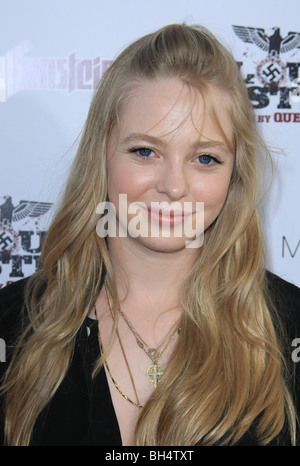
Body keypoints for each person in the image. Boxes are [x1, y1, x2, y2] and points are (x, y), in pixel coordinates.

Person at [0, 23, 299, 447]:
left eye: (206, 157)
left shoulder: (290, 329)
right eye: (145, 151)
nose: (174, 186)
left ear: (235, 173)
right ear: (101, 154)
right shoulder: (12, 326)